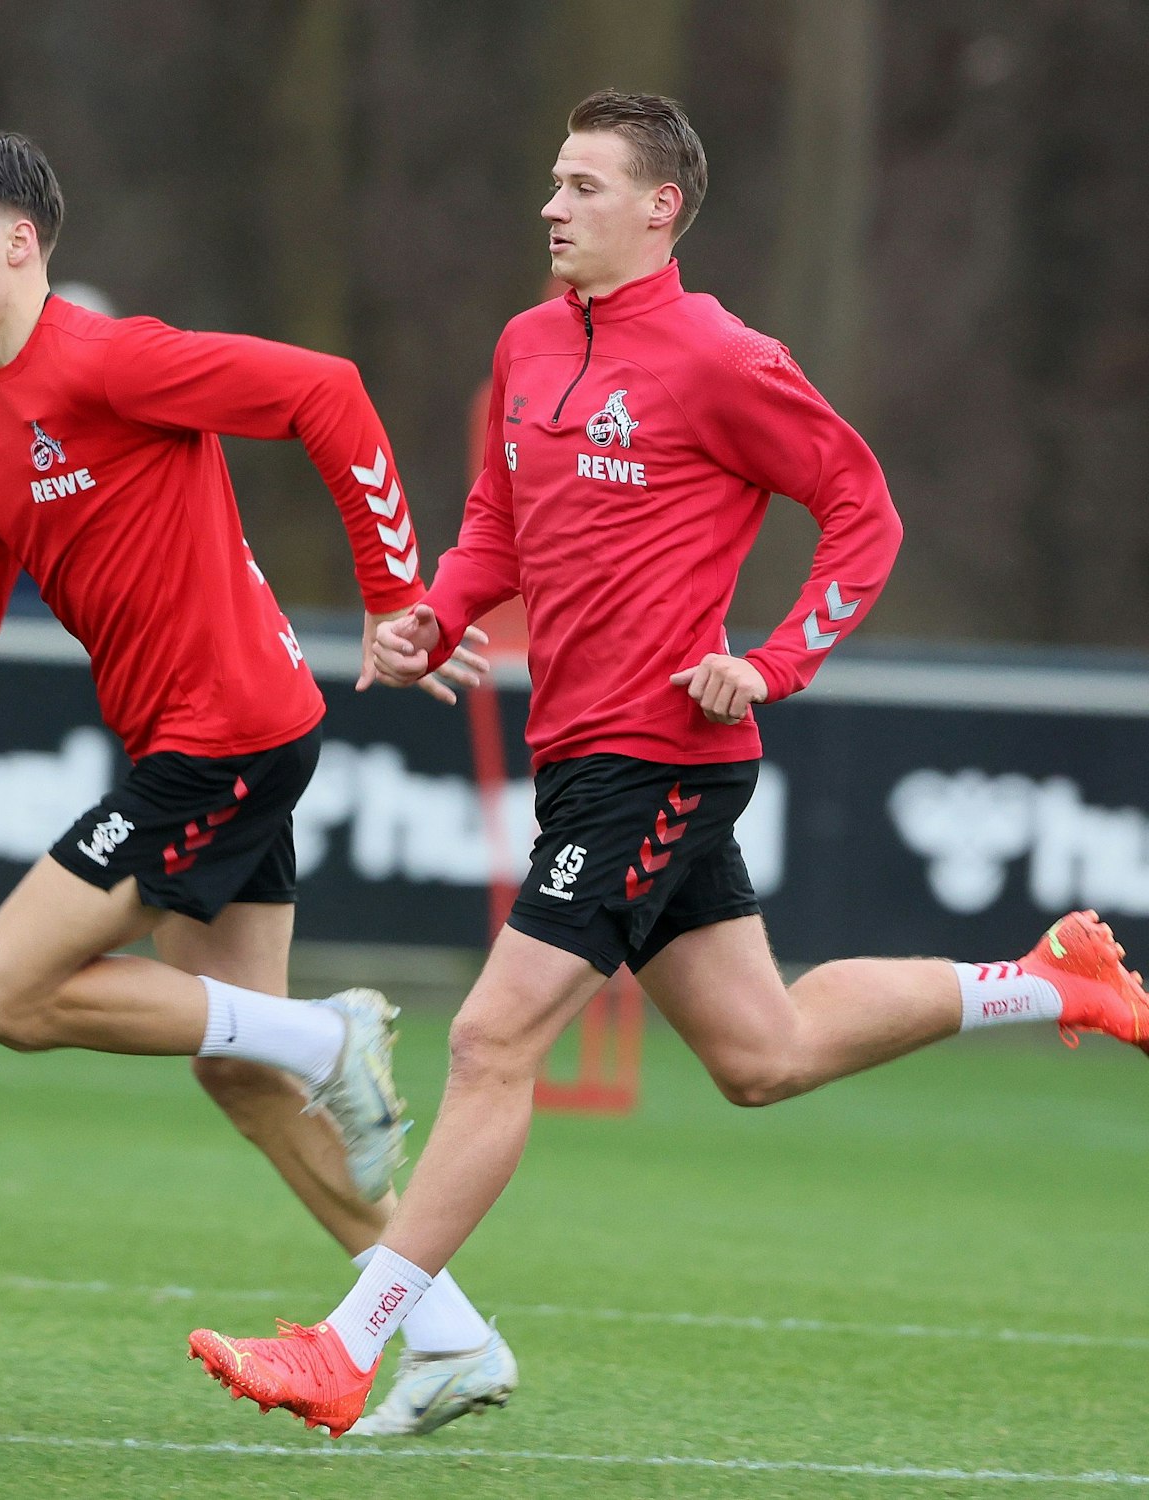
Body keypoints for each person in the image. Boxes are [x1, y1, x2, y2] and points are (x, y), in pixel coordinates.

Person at [188, 89, 1149, 1438]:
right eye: (553, 182)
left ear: (661, 208)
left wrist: (772, 663)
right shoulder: (529, 342)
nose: (552, 207)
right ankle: (1045, 982)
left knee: (488, 1037)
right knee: (765, 1052)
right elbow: (494, 533)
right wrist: (434, 619)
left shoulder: (723, 357)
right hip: (584, 757)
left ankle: (354, 1346)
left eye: (583, 186)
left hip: (666, 757)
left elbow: (863, 513)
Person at [0, 129, 518, 1436]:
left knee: (1, 990)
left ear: (22, 246)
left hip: (225, 736)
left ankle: (330, 1038)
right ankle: (451, 1339)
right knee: (237, 1072)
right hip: (213, 741)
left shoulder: (113, 360)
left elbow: (331, 393)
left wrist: (397, 599)